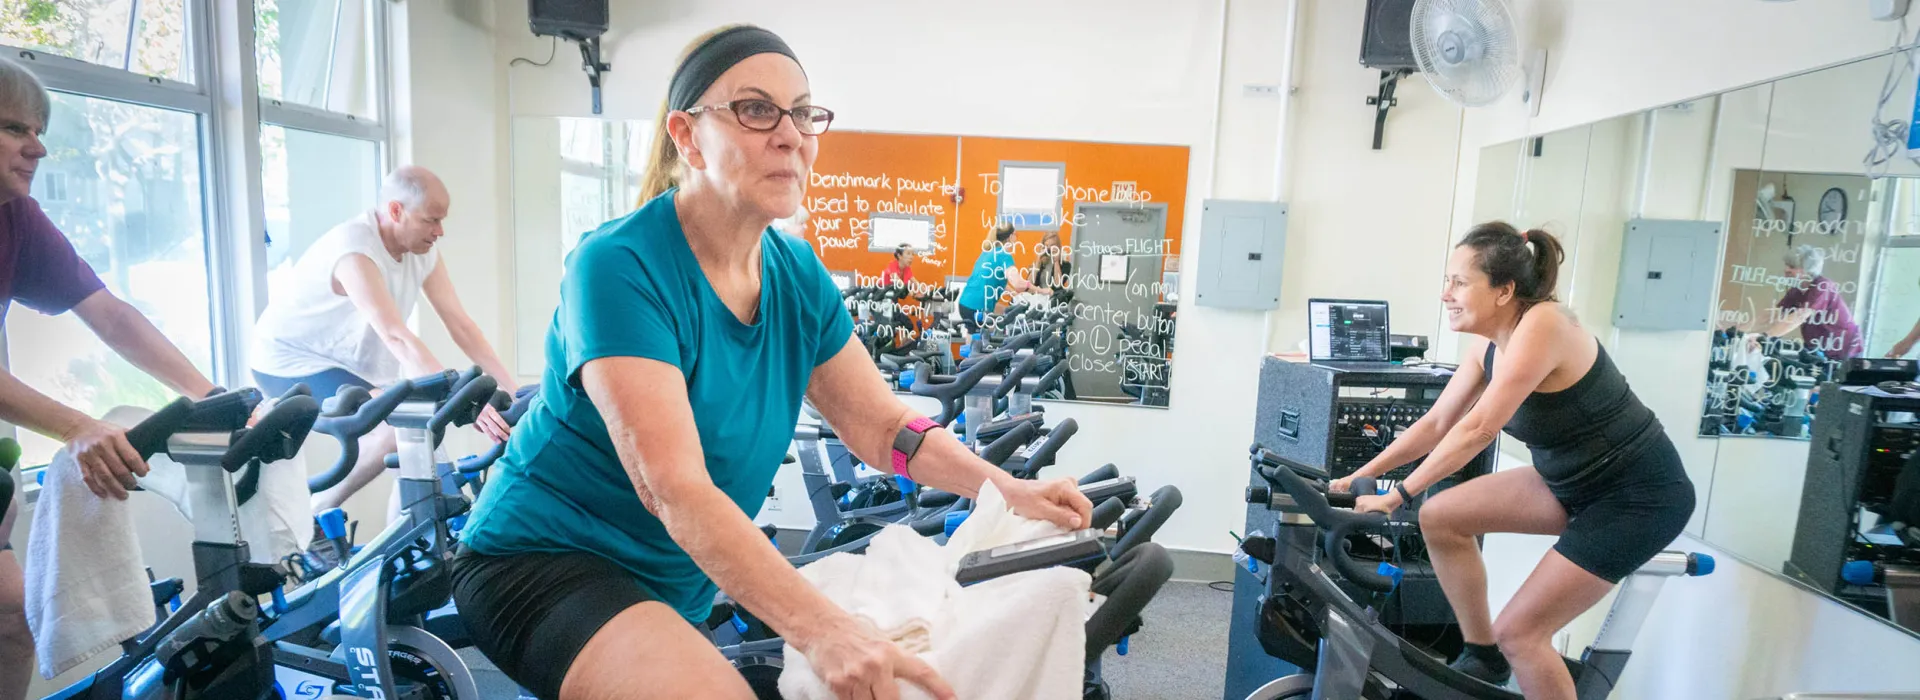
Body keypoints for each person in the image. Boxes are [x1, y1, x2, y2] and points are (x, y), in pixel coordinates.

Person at [449, 25, 1092, 700]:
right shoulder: (617, 266)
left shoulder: (796, 274)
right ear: (687, 136)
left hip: (677, 578)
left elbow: (881, 430)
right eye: (757, 110)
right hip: (545, 558)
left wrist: (1004, 488)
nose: (791, 135)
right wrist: (824, 629)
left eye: (804, 113)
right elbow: (674, 487)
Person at [1329, 222, 1695, 700]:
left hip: (1638, 496)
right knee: (1441, 516)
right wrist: (1360, 477)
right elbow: (1438, 423)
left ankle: (1504, 648)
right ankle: (1483, 656)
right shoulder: (1487, 346)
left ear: (1503, 291)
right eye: (1447, 281)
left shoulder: (1545, 325)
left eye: (1460, 283)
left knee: (1522, 634)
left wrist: (1397, 495)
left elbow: (1479, 429)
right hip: (1569, 483)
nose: (1446, 294)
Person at [0, 55, 222, 700]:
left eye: (39, 130)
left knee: (13, 618)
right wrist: (77, 427)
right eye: (15, 129)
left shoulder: (16, 215)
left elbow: (110, 315)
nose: (37, 147)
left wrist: (210, 395)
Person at [249, 165, 516, 518]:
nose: (440, 231)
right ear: (395, 211)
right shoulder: (354, 250)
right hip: (291, 362)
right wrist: (467, 400)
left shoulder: (423, 252)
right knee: (401, 429)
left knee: (418, 431)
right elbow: (395, 335)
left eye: (442, 220)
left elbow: (461, 325)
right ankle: (316, 515)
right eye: (431, 220)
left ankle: (409, 542)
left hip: (348, 363)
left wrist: (513, 392)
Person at [1764, 244, 1861, 360]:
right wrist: (1741, 330)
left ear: (1808, 270)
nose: (1786, 270)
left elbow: (1799, 317)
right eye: (1786, 265)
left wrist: (1766, 336)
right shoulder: (1797, 290)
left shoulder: (1822, 286)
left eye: (1792, 266)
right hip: (1817, 347)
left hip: (1842, 350)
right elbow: (1774, 313)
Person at [956, 223, 1036, 333]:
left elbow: (995, 279)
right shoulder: (1004, 255)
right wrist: (1041, 291)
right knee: (986, 337)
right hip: (978, 306)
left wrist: (1013, 293)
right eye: (1016, 235)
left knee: (1001, 314)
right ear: (1010, 237)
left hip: (965, 303)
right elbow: (1018, 283)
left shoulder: (987, 253)